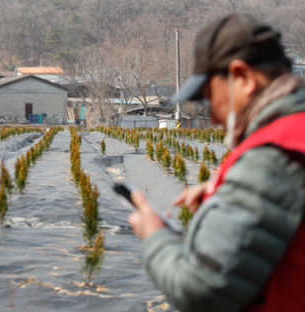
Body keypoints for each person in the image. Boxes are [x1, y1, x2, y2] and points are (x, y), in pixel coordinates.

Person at [128, 14, 305, 312]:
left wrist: (155, 235)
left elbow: (203, 289)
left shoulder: (273, 157)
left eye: (210, 96)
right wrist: (224, 193)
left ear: (243, 77)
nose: (211, 117)